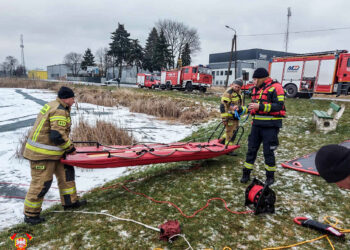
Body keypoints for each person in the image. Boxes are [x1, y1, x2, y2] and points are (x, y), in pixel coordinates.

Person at [23, 86, 86, 225]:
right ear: (66, 98)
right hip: (41, 155)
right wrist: (70, 149)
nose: (74, 101)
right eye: (72, 98)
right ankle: (31, 214)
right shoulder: (59, 110)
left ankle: (70, 202)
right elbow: (57, 135)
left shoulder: (54, 105)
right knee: (41, 183)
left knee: (66, 175)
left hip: (54, 152)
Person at [237, 68, 286, 185]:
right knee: (251, 150)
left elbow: (279, 106)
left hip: (271, 126)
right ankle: (246, 174)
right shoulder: (255, 89)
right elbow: (252, 107)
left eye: (255, 79)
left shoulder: (276, 87)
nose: (253, 81)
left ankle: (270, 177)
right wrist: (240, 110)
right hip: (256, 126)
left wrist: (261, 107)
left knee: (268, 152)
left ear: (262, 78)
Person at [219, 79, 243, 149]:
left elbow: (239, 103)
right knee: (231, 133)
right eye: (235, 86)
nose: (237, 88)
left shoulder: (239, 92)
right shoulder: (228, 93)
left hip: (235, 116)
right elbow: (223, 106)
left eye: (238, 87)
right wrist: (224, 118)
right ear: (232, 84)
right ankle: (228, 148)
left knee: (233, 130)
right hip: (229, 117)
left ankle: (222, 141)